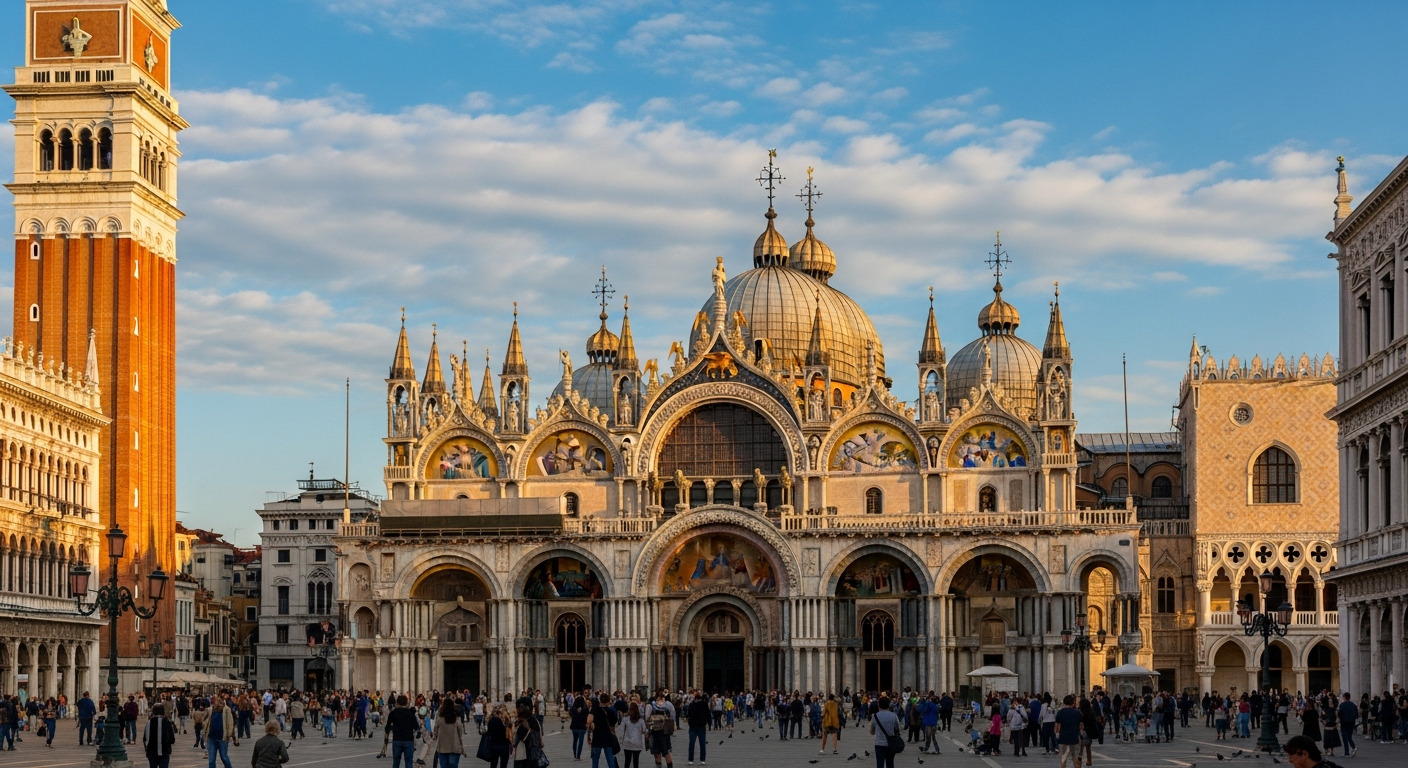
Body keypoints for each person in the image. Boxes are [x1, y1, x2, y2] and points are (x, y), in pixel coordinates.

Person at [388, 695, 423, 768]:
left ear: (397, 702)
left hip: (397, 739)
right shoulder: (410, 713)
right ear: (406, 702)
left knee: (396, 763)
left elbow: (388, 726)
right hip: (408, 740)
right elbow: (416, 726)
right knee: (409, 763)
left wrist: (386, 737)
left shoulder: (393, 713)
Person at [869, 695, 901, 768]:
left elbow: (872, 732)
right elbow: (897, 729)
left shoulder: (875, 716)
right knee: (890, 764)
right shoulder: (893, 716)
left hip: (879, 744)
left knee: (880, 765)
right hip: (891, 744)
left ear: (879, 705)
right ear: (888, 705)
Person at [646, 690, 676, 768]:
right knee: (661, 752)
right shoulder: (667, 705)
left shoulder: (653, 705)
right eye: (660, 698)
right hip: (659, 732)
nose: (661, 701)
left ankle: (663, 766)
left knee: (661, 752)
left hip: (659, 732)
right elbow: (673, 717)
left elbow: (647, 718)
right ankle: (663, 766)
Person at [206, 696, 237, 768]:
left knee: (224, 757)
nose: (218, 703)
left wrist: (229, 734)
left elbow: (230, 722)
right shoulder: (211, 709)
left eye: (220, 701)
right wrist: (205, 731)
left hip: (222, 738)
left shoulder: (226, 709)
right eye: (217, 701)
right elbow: (207, 721)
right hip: (211, 737)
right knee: (211, 760)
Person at [433, 697, 465, 768]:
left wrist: (435, 737)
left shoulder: (439, 719)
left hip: (442, 747)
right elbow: (460, 732)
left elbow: (435, 733)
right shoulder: (456, 719)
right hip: (454, 747)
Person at [1053, 695, 1083, 768]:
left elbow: (1056, 726)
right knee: (1075, 757)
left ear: (1064, 702)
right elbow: (1081, 726)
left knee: (1063, 757)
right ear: (1073, 703)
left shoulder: (1060, 712)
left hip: (1063, 737)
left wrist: (1057, 734)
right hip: (1074, 737)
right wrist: (1081, 734)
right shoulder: (1077, 713)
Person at [143, 704, 177, 768]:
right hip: (164, 752)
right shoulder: (167, 722)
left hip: (152, 752)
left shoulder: (149, 722)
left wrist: (147, 750)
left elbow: (145, 739)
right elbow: (172, 739)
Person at [512, 701, 544, 768]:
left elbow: (515, 738)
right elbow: (539, 734)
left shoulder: (518, 723)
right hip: (534, 752)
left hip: (522, 753)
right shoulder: (535, 721)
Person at [618, 701, 648, 768]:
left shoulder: (625, 719)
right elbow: (644, 730)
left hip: (627, 743)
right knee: (636, 761)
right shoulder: (641, 720)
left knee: (627, 761)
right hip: (637, 743)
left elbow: (621, 731)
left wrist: (620, 741)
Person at [570, 688, 591, 761]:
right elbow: (587, 716)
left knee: (575, 741)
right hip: (582, 727)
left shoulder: (573, 708)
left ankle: (574, 755)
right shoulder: (585, 709)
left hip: (574, 727)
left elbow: (571, 714)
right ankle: (578, 756)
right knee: (580, 742)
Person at [1337, 693, 1357, 757]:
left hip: (1344, 723)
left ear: (1344, 697)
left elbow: (1340, 714)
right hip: (1351, 723)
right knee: (1349, 736)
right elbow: (1356, 715)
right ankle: (1353, 746)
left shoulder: (1342, 705)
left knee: (1344, 737)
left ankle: (1347, 752)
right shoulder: (1354, 705)